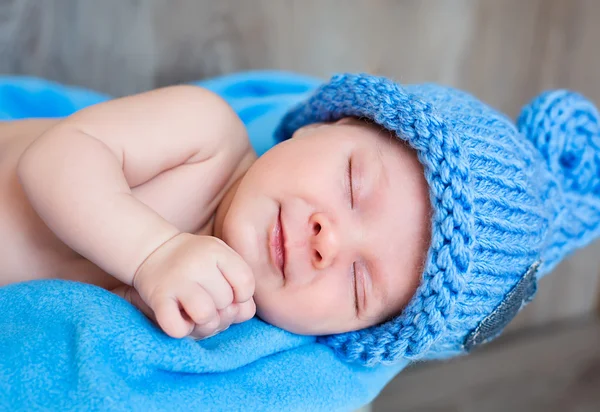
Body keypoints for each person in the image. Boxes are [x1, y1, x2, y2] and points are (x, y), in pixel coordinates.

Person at [1, 72, 599, 366]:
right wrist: (153, 254)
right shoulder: (204, 134)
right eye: (352, 184)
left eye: (360, 283)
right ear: (323, 125)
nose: (328, 240)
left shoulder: (233, 323)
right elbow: (55, 159)